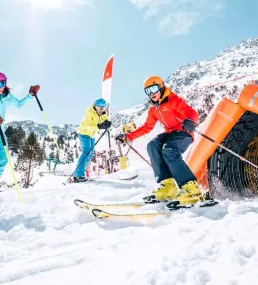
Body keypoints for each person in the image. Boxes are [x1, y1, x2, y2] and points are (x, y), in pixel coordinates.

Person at [116, 75, 203, 205]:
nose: (151, 93)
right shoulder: (153, 109)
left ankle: (191, 189)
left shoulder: (173, 100)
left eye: (154, 88)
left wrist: (190, 121)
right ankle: (168, 186)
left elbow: (191, 112)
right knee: (152, 145)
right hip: (170, 133)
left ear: (161, 88)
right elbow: (147, 127)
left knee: (169, 150)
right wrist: (127, 137)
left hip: (183, 132)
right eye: (148, 91)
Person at [0, 72, 39, 178]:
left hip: (0, 133)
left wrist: (30, 95)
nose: (1, 87)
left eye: (3, 83)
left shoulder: (6, 96)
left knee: (3, 159)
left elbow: (18, 104)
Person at [74, 98, 112, 182]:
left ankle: (80, 173)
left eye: (103, 108)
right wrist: (99, 126)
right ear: (95, 107)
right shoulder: (89, 112)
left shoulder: (103, 113)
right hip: (84, 133)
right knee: (86, 152)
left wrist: (106, 123)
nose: (101, 110)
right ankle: (78, 175)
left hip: (92, 135)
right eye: (99, 108)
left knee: (91, 153)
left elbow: (104, 120)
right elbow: (88, 125)